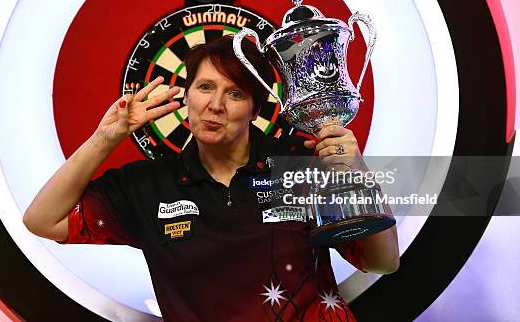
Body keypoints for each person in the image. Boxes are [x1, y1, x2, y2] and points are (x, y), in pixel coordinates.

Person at [23, 35, 399, 321]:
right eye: (204, 87)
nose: (215, 105)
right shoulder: (148, 186)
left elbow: (383, 262)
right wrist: (104, 139)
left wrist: (357, 169)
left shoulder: (300, 166)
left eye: (234, 93)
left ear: (255, 110)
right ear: (187, 96)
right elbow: (42, 219)